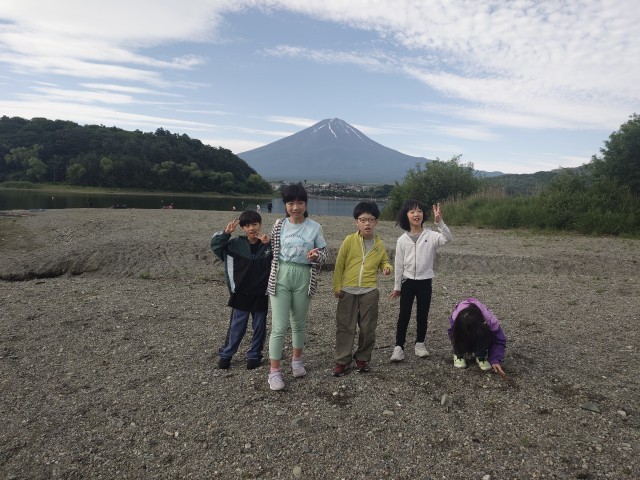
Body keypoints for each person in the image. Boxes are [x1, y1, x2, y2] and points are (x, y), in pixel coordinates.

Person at [266, 183, 327, 391]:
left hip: (304, 276)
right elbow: (272, 251)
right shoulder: (279, 225)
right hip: (281, 275)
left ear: (306, 204)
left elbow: (325, 254)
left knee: (299, 324)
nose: (295, 207)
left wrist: (316, 255)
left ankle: (296, 361)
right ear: (285, 205)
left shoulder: (315, 227)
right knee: (279, 326)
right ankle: (274, 372)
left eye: (300, 202)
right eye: (290, 203)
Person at [332, 201, 392, 376]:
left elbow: (384, 261)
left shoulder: (379, 244)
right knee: (345, 327)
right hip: (348, 291)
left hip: (369, 291)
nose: (367, 224)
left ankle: (362, 359)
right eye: (363, 220)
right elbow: (339, 265)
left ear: (376, 222)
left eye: (371, 220)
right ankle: (342, 360)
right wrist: (337, 286)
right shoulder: (349, 240)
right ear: (356, 222)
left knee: (368, 328)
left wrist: (387, 268)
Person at [389, 200, 452, 362]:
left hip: (425, 282)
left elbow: (447, 238)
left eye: (419, 211)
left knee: (422, 314)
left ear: (423, 214)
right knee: (404, 315)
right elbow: (399, 265)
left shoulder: (431, 236)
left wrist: (440, 223)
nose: (416, 214)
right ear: (406, 215)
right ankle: (399, 347)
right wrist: (397, 286)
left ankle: (420, 344)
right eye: (412, 212)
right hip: (407, 282)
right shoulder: (402, 239)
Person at [210, 210, 272, 370]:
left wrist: (270, 244)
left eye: (255, 224)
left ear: (260, 224)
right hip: (241, 293)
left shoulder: (267, 245)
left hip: (260, 293)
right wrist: (226, 234)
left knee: (259, 327)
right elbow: (216, 246)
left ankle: (254, 356)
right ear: (242, 228)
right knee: (237, 326)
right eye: (247, 225)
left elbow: (280, 257)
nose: (252, 228)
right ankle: (226, 355)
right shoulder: (234, 244)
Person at [447, 298, 506, 374]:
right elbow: (452, 334)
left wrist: (495, 359)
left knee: (482, 338)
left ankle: (481, 355)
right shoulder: (456, 319)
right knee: (459, 337)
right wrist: (458, 345)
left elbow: (499, 340)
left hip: (481, 331)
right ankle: (459, 354)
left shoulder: (490, 321)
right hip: (461, 329)